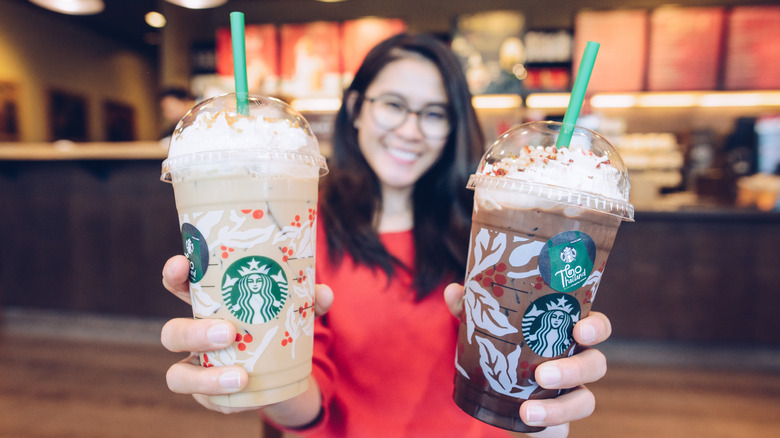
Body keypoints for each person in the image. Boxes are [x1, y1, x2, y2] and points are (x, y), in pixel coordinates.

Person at [160, 33, 612, 437]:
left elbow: (524, 358)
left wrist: (544, 416)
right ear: (356, 107)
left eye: (434, 113)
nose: (411, 130)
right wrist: (247, 372)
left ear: (453, 127)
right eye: (393, 105)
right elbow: (307, 403)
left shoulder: (497, 238)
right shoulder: (291, 229)